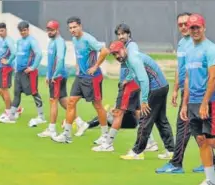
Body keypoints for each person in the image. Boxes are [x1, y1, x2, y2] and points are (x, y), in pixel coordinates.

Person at [106, 41, 174, 159]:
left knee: (144, 120)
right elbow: (134, 72)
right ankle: (171, 150)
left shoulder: (133, 59)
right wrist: (127, 79)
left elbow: (143, 80)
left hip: (156, 88)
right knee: (161, 119)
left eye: (118, 52)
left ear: (124, 49)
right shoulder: (128, 58)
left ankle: (137, 152)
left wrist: (144, 100)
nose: (117, 56)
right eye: (114, 54)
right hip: (163, 86)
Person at [52, 16, 110, 144]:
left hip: (92, 78)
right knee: (71, 102)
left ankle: (105, 136)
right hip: (81, 77)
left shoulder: (88, 39)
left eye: (74, 27)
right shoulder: (74, 39)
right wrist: (78, 66)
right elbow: (78, 55)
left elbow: (105, 50)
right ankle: (67, 135)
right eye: (70, 28)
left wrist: (95, 66)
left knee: (98, 106)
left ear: (80, 26)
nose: (72, 30)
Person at [180, 14, 215, 185]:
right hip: (192, 101)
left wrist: (204, 103)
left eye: (197, 27)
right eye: (191, 27)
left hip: (208, 102)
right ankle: (210, 180)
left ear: (204, 28)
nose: (194, 31)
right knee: (201, 140)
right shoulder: (188, 50)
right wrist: (184, 104)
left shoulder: (210, 49)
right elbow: (187, 78)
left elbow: (213, 78)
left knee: (211, 139)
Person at [37, 20, 87, 138]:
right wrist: (48, 75)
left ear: (57, 30)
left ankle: (52, 129)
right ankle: (81, 123)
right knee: (63, 101)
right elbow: (51, 61)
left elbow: (60, 60)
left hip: (58, 77)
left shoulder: (59, 42)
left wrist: (54, 75)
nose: (49, 32)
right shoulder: (52, 42)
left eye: (52, 30)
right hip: (55, 76)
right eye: (48, 30)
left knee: (53, 101)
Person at [114, 23, 158, 151]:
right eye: (119, 34)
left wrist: (127, 79)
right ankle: (151, 141)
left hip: (132, 84)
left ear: (129, 34)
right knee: (138, 112)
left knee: (120, 111)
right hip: (131, 82)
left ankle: (108, 141)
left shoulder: (131, 47)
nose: (121, 36)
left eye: (123, 34)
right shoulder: (124, 46)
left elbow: (135, 66)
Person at [0, 21, 46, 125]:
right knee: (16, 93)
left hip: (29, 72)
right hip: (19, 72)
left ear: (28, 30)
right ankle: (11, 117)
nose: (23, 32)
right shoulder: (19, 41)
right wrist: (13, 65)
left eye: (25, 30)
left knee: (34, 93)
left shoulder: (32, 41)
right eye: (21, 31)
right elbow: (17, 55)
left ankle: (41, 116)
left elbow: (39, 54)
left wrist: (32, 67)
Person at [0, 22, 20, 120]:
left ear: (6, 30)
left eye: (2, 30)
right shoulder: (3, 41)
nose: (0, 32)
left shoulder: (8, 40)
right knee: (0, 90)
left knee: (4, 90)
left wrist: (8, 61)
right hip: (1, 68)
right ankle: (15, 109)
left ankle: (9, 113)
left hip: (6, 68)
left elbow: (14, 52)